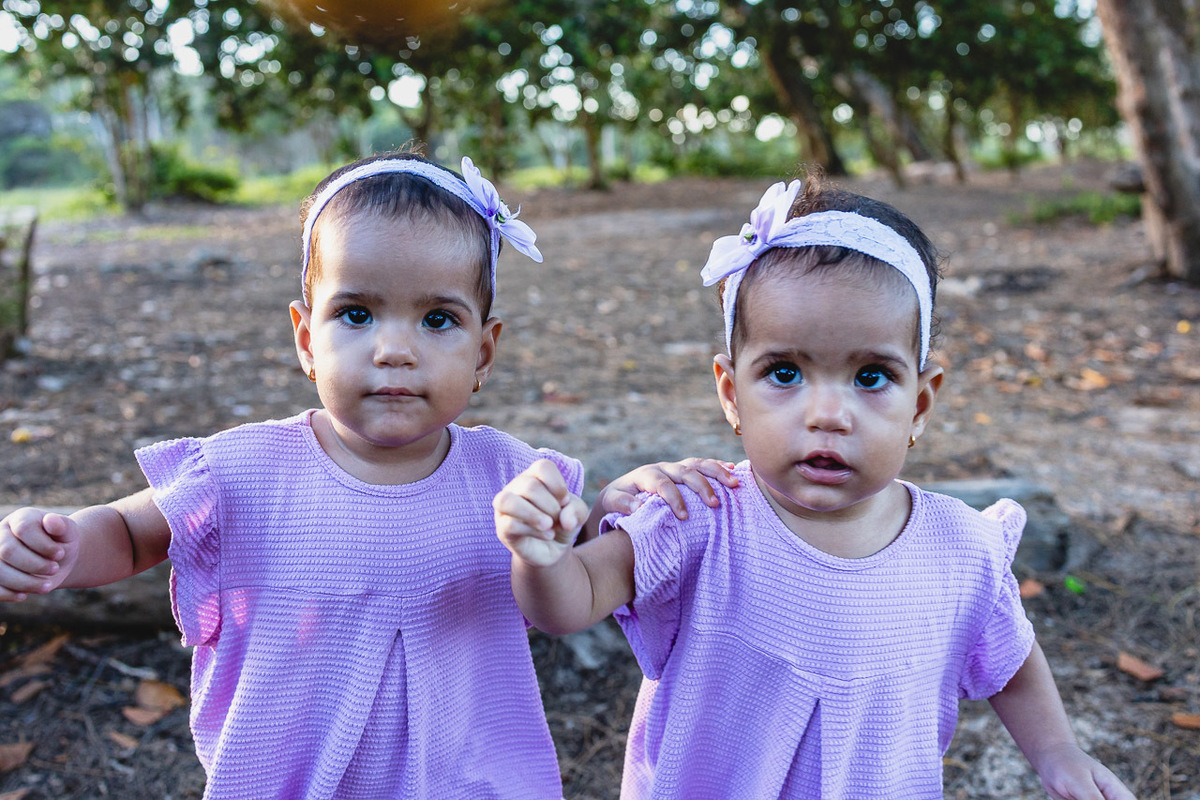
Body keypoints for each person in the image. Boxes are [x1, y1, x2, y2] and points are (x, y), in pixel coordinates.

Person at [0, 150, 735, 800]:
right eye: (356, 314)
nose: (393, 350)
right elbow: (134, 533)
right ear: (305, 338)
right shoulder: (244, 468)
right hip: (292, 777)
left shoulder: (509, 476)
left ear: (483, 352)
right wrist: (66, 543)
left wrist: (610, 510)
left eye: (438, 320)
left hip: (467, 780)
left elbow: (570, 575)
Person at [494, 174, 1136, 799]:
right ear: (731, 393)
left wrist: (1058, 751)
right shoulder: (698, 518)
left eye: (871, 377)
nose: (828, 414)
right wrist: (542, 558)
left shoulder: (961, 550)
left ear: (919, 403)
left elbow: (1011, 664)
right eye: (784, 372)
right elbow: (569, 604)